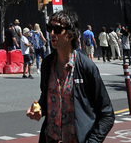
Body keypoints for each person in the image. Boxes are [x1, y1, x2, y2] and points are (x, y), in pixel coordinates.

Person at [26, 7, 114, 143]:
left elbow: (107, 114)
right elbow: (46, 98)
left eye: (57, 30)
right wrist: (39, 110)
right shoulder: (47, 64)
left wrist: (92, 141)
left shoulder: (86, 67)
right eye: (50, 28)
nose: (51, 33)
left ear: (71, 34)